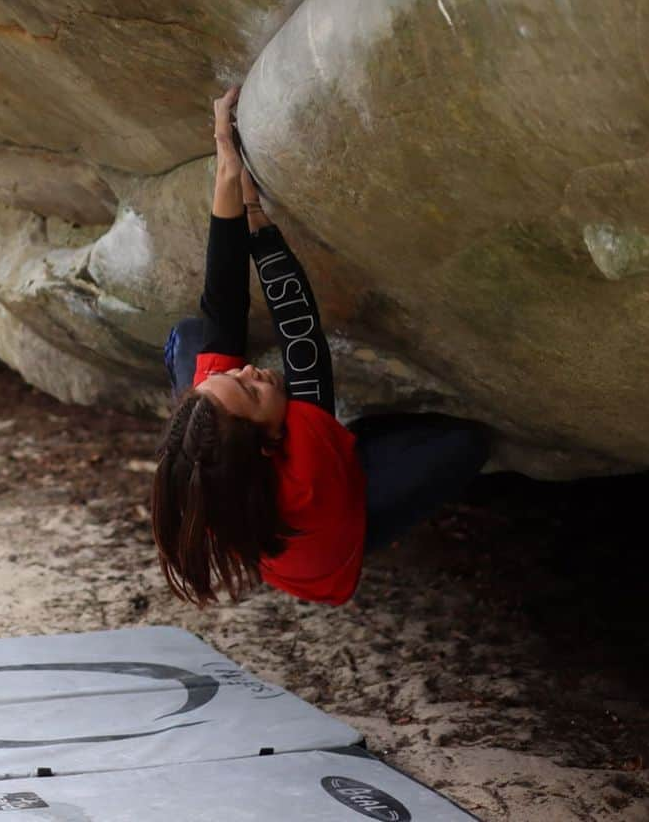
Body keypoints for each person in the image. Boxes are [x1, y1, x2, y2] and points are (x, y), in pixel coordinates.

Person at [151, 86, 491, 607]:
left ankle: (324, 436)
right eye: (253, 394)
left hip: (258, 490)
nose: (251, 375)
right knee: (463, 444)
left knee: (193, 339)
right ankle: (354, 454)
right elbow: (302, 342)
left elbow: (222, 303)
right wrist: (260, 228)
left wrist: (226, 165)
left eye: (232, 379)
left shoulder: (211, 452)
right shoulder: (304, 472)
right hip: (331, 554)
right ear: (270, 445)